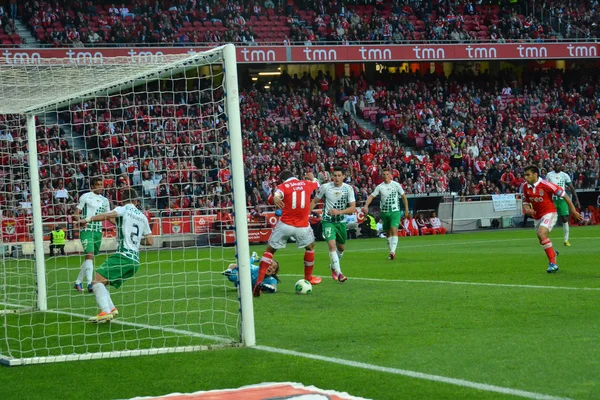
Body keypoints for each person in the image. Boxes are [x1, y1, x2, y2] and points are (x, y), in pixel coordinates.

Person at [79, 188, 153, 323]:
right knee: (102, 282)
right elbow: (150, 241)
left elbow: (107, 215)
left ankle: (105, 311)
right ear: (136, 201)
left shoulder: (123, 209)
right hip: (135, 261)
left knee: (95, 282)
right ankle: (112, 309)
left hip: (123, 255)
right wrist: (135, 241)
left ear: (123, 200)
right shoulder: (143, 217)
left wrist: (87, 219)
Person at [254, 170, 321, 297]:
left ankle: (259, 282)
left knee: (270, 251)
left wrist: (276, 197)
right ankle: (309, 277)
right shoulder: (306, 183)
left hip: (285, 224)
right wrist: (313, 178)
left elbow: (276, 196)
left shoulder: (282, 186)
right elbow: (317, 184)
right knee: (310, 247)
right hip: (302, 226)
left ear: (283, 180)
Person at [521, 165, 581, 273]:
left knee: (541, 234)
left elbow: (564, 195)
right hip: (537, 216)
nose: (525, 177)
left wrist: (573, 210)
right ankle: (553, 253)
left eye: (528, 175)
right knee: (541, 239)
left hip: (549, 213)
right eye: (524, 175)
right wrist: (527, 209)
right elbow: (525, 201)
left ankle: (553, 264)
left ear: (535, 174)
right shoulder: (525, 187)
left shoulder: (546, 185)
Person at [310, 165, 356, 283]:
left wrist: (339, 212)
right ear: (331, 176)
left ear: (344, 176)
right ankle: (339, 273)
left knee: (341, 248)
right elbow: (315, 201)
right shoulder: (325, 187)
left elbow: (352, 208)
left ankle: (333, 267)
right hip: (327, 221)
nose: (336, 178)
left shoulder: (348, 189)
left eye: (339, 176)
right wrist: (305, 215)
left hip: (341, 222)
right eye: (334, 175)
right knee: (332, 246)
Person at [362, 168, 409, 260]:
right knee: (388, 233)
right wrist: (366, 205)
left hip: (395, 211)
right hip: (384, 212)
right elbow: (371, 196)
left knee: (394, 229)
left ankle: (393, 251)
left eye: (387, 174)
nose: (386, 176)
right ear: (382, 176)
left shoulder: (396, 185)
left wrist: (406, 209)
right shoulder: (380, 187)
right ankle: (391, 251)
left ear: (390, 175)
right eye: (384, 174)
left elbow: (403, 196)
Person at [74, 177, 110, 292]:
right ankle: (90, 284)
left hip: (98, 231)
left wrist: (120, 223)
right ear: (92, 186)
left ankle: (78, 282)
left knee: (89, 258)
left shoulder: (105, 200)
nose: (100, 187)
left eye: (101, 184)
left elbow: (108, 216)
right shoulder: (85, 197)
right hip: (87, 230)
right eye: (97, 184)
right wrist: (80, 221)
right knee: (89, 254)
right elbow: (77, 213)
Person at [545, 163, 581, 246]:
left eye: (558, 165)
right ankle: (545, 238)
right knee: (549, 218)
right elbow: (545, 187)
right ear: (553, 166)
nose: (557, 166)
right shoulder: (549, 175)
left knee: (565, 219)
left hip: (562, 199)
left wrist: (577, 200)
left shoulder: (565, 175)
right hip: (552, 199)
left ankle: (566, 240)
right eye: (555, 165)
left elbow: (572, 188)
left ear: (561, 166)